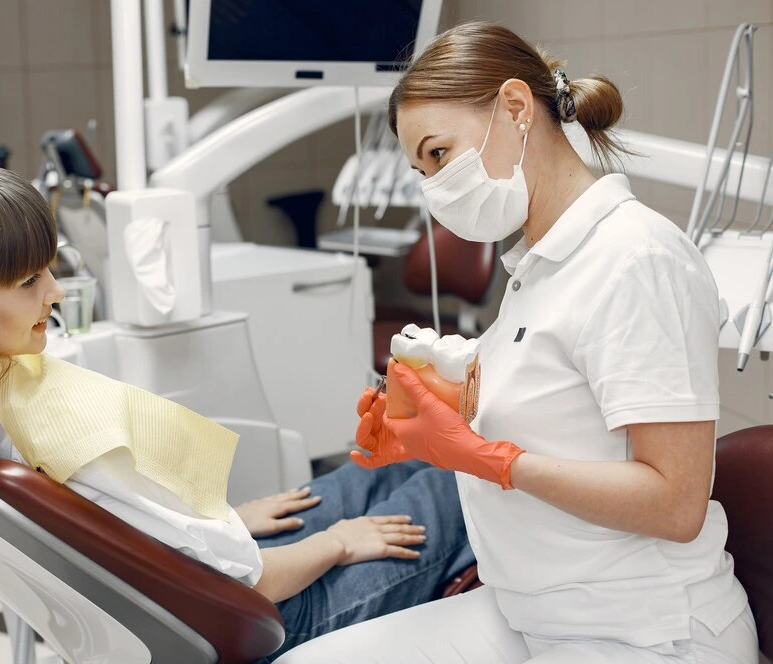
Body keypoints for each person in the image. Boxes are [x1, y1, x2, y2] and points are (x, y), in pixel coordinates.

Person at [0, 148, 474, 658]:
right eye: (29, 281)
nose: (57, 292)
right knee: (459, 474)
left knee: (402, 462)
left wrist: (221, 523)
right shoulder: (55, 435)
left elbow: (128, 532)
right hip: (272, 616)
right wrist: (337, 543)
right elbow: (242, 583)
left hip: (221, 568)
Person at [275, 21, 758, 664]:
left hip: (649, 630)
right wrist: (431, 424)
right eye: (420, 168)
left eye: (439, 154)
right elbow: (559, 410)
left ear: (513, 108)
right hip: (529, 609)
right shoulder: (538, 264)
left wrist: (487, 458)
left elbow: (676, 504)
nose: (432, 187)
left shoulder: (636, 258)